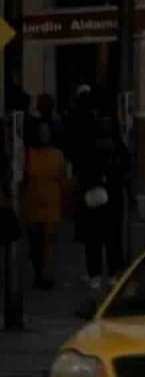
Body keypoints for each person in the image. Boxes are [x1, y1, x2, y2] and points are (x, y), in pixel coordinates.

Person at [71, 106, 130, 290]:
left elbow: (81, 170)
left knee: (94, 240)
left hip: (95, 198)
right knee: (112, 238)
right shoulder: (117, 146)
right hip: (113, 197)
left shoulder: (89, 146)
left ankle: (95, 274)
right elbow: (127, 168)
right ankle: (112, 273)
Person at [22, 122, 68, 289]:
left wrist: (65, 202)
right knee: (35, 243)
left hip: (51, 203)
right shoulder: (28, 154)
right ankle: (38, 273)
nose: (44, 135)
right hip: (32, 202)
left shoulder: (57, 155)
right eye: (41, 132)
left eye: (46, 131)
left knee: (48, 242)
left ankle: (45, 275)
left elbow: (64, 180)